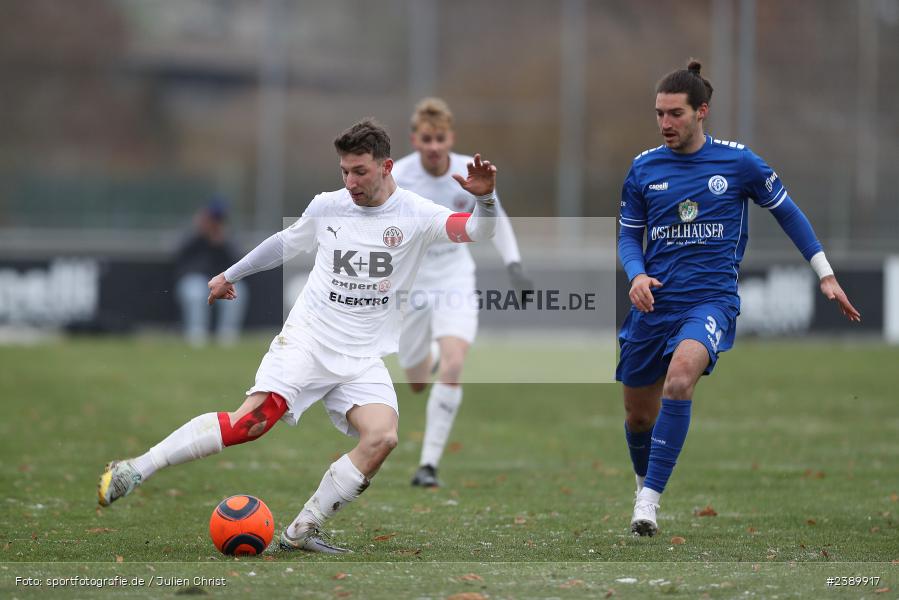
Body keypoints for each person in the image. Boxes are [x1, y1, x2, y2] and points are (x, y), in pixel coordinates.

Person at [98, 119, 499, 553]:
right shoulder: (328, 206)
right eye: (344, 171)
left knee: (382, 437)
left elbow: (477, 231)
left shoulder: (416, 214)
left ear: (386, 167)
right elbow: (283, 244)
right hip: (308, 341)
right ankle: (135, 468)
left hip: (361, 357)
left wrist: (487, 199)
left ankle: (301, 530)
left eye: (360, 171)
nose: (350, 182)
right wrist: (228, 274)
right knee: (248, 424)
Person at [616, 60, 860, 537]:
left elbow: (788, 213)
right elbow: (628, 237)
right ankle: (643, 480)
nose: (665, 123)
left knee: (681, 378)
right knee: (638, 415)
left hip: (710, 301)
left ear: (701, 111)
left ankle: (649, 502)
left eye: (676, 114)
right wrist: (637, 274)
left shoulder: (739, 163)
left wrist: (825, 274)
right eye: (659, 114)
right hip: (654, 304)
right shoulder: (643, 169)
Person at [392, 98, 531, 488]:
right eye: (426, 138)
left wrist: (514, 265)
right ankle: (429, 356)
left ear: (450, 138)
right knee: (417, 381)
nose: (434, 146)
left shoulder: (469, 171)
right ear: (414, 140)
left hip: (455, 277)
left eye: (440, 138)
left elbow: (496, 219)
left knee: (455, 364)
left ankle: (428, 465)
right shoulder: (398, 176)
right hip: (413, 284)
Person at [174, 199, 248, 347]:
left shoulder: (228, 237)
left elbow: (240, 263)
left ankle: (227, 336)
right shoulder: (193, 234)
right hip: (197, 279)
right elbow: (178, 257)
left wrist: (222, 242)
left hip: (224, 280)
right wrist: (200, 233)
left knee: (238, 292)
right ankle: (196, 335)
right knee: (195, 292)